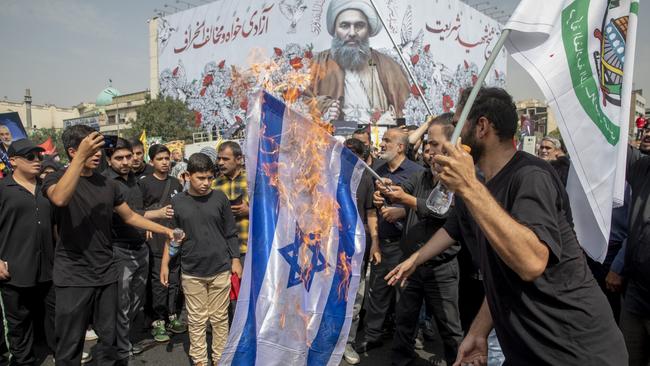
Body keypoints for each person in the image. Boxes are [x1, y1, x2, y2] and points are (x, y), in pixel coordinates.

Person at [386, 87, 627, 365]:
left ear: (482, 127)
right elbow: (500, 270)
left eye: (456, 126)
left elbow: (530, 262)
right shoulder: (475, 188)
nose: (451, 137)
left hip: (575, 351)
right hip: (527, 350)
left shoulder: (530, 176)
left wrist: (469, 187)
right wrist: (478, 331)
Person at [42, 125, 177, 365]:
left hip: (106, 272)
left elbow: (131, 217)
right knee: (70, 344)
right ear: (73, 151)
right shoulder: (56, 178)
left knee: (109, 341)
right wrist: (80, 157)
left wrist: (166, 230)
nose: (98, 154)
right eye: (91, 148)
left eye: (99, 149)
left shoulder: (107, 184)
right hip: (73, 274)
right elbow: (60, 198)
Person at [376, 114, 463, 366]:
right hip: (411, 265)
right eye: (428, 146)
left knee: (450, 329)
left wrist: (406, 201)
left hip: (441, 269)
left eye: (434, 145)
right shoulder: (422, 176)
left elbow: (441, 211)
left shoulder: (456, 179)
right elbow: (403, 193)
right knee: (405, 321)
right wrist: (388, 191)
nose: (429, 152)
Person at [161, 153, 241, 366]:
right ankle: (199, 360)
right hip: (191, 271)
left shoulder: (220, 198)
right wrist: (165, 265)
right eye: (200, 178)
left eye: (209, 178)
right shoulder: (176, 202)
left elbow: (230, 232)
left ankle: (219, 359)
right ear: (188, 176)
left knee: (220, 319)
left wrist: (235, 259)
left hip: (221, 268)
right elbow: (172, 236)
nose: (206, 183)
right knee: (196, 320)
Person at [104, 138, 175, 363]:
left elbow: (139, 211)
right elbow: (132, 216)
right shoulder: (106, 183)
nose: (126, 161)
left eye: (129, 156)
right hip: (119, 250)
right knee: (122, 304)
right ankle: (121, 350)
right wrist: (160, 220)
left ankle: (124, 342)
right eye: (119, 158)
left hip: (140, 248)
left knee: (136, 302)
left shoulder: (135, 179)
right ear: (108, 160)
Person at [357, 128, 424, 354]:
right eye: (382, 140)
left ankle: (405, 340)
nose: (382, 144)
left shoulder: (418, 172)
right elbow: (371, 211)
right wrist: (375, 241)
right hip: (383, 243)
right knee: (378, 293)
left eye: (387, 140)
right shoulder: (377, 170)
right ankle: (373, 335)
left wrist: (402, 211)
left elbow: (426, 207)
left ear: (401, 147)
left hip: (407, 246)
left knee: (405, 297)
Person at [308, 0, 410, 124]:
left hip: (377, 140)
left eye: (359, 26)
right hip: (335, 140)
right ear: (335, 29)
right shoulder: (319, 64)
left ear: (368, 29)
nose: (352, 33)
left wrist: (389, 117)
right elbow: (298, 104)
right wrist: (324, 106)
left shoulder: (389, 66)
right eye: (344, 25)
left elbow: (406, 110)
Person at [0, 139, 56, 364]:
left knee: (53, 318)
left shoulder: (47, 188)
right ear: (13, 161)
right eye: (30, 157)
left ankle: (60, 354)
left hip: (49, 270)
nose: (37, 161)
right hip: (14, 271)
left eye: (40, 157)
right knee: (18, 325)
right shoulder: (3, 189)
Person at [138, 144, 185, 342]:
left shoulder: (176, 183)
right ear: (151, 162)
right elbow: (138, 212)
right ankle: (158, 320)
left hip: (174, 236)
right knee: (159, 280)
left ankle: (172, 315)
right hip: (155, 239)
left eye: (167, 158)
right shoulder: (144, 183)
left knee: (174, 278)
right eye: (160, 159)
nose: (165, 162)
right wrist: (147, 225)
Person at [342, 138, 379, 365]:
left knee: (355, 299)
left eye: (353, 153)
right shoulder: (329, 176)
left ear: (362, 157)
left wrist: (375, 241)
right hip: (332, 251)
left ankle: (348, 342)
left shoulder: (366, 178)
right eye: (344, 152)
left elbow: (371, 212)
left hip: (357, 251)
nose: (348, 157)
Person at [617, 129, 650, 366]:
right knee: (628, 357)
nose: (648, 132)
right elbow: (614, 147)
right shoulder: (642, 167)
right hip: (636, 291)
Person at [214, 141, 249, 260]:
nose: (220, 163)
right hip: (225, 251)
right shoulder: (213, 185)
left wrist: (249, 211)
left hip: (251, 248)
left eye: (225, 159)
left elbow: (269, 210)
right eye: (219, 159)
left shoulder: (253, 181)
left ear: (239, 159)